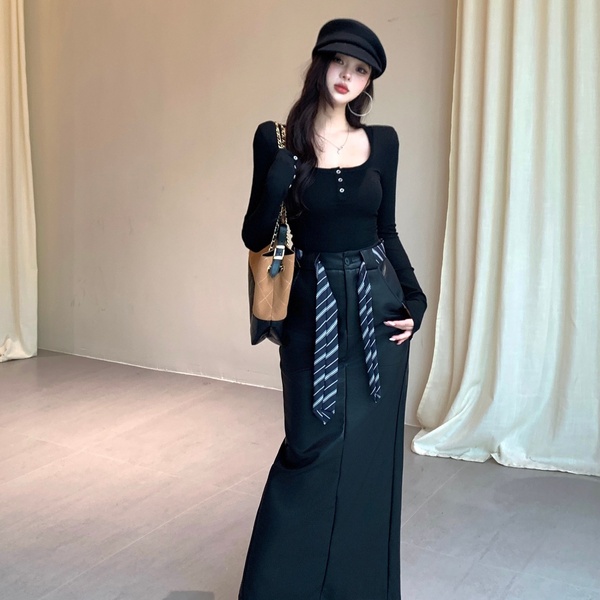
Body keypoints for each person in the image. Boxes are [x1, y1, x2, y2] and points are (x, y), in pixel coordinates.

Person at [240, 18, 427, 600]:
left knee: (369, 458)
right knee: (308, 448)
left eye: (361, 70)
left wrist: (416, 297)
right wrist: (278, 180)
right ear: (321, 63)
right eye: (340, 62)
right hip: (310, 309)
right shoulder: (276, 139)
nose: (348, 76)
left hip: (376, 305)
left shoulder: (384, 142)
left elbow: (386, 230)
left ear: (368, 82)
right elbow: (254, 235)